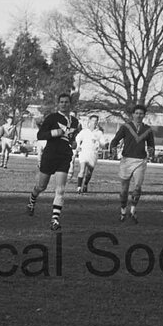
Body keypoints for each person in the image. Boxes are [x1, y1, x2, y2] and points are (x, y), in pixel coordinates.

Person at [26, 93, 80, 231]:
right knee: (41, 186)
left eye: (66, 102)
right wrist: (54, 133)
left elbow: (72, 138)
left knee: (60, 189)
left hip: (64, 156)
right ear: (58, 104)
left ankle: (55, 219)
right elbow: (40, 135)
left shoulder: (75, 121)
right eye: (61, 102)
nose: (64, 104)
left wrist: (73, 143)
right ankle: (32, 199)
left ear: (70, 104)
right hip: (50, 155)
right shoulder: (52, 118)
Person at [109, 104, 155, 224]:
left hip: (140, 161)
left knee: (137, 187)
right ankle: (123, 211)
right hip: (126, 160)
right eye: (137, 113)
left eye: (141, 113)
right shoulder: (126, 127)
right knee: (124, 190)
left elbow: (151, 144)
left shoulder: (148, 129)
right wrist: (113, 150)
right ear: (133, 114)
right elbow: (115, 140)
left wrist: (151, 152)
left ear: (144, 115)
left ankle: (133, 210)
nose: (139, 115)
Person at [73, 115, 104, 194]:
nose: (94, 122)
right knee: (82, 170)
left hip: (93, 153)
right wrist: (78, 146)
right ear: (89, 121)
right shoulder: (84, 131)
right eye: (93, 120)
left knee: (89, 173)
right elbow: (78, 138)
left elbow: (103, 143)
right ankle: (79, 188)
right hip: (84, 152)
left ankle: (85, 184)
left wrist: (99, 142)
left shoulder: (99, 133)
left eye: (96, 121)